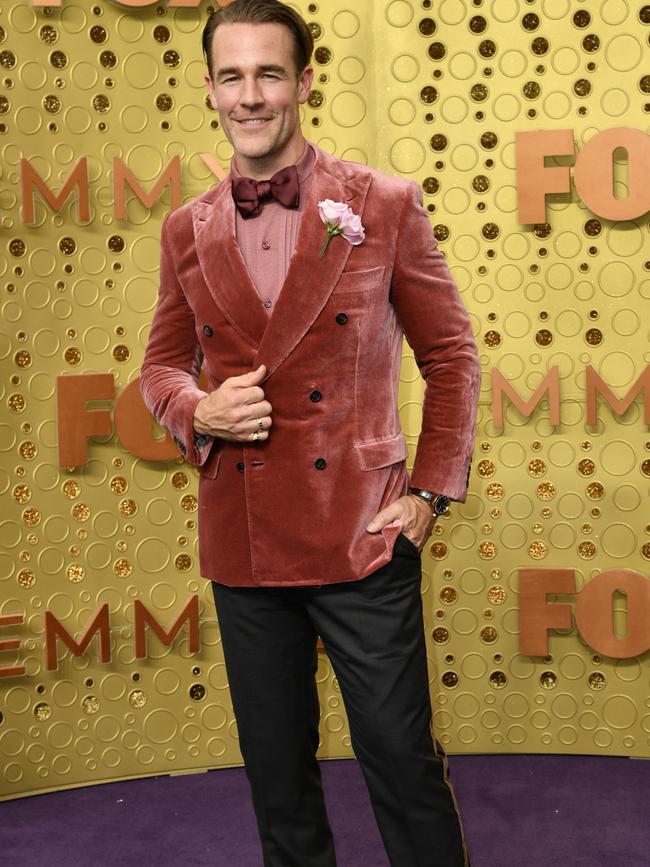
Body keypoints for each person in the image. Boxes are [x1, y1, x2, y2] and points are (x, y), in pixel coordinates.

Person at [140, 1, 480, 864]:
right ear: (209, 88)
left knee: (403, 765)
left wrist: (430, 495)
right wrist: (196, 411)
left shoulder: (384, 203)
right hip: (244, 543)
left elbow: (451, 354)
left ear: (303, 82)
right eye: (231, 76)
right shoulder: (187, 227)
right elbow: (160, 369)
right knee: (277, 779)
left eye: (268, 74)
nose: (248, 95)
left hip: (362, 534)